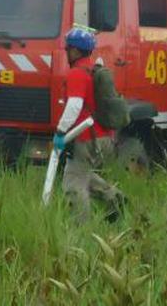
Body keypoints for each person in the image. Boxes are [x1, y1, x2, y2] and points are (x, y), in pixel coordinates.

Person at [53, 27, 124, 224]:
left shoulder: (76, 74)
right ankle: (115, 198)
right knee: (82, 174)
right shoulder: (93, 71)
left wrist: (60, 132)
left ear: (75, 51)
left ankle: (80, 228)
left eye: (68, 48)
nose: (66, 52)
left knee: (73, 184)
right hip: (102, 137)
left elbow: (74, 105)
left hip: (85, 137)